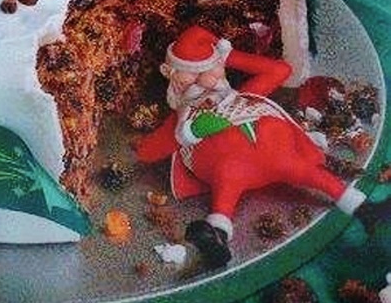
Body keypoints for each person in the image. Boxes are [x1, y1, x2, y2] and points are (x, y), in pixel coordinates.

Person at [133, 25, 390, 268]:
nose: (205, 81)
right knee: (228, 179)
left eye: (211, 69)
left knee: (299, 168)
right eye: (192, 73)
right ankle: (217, 238)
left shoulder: (245, 96)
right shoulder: (184, 120)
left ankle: (364, 209)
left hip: (277, 152)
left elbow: (280, 70)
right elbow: (146, 151)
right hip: (231, 167)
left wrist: (229, 55)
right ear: (170, 73)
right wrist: (193, 131)